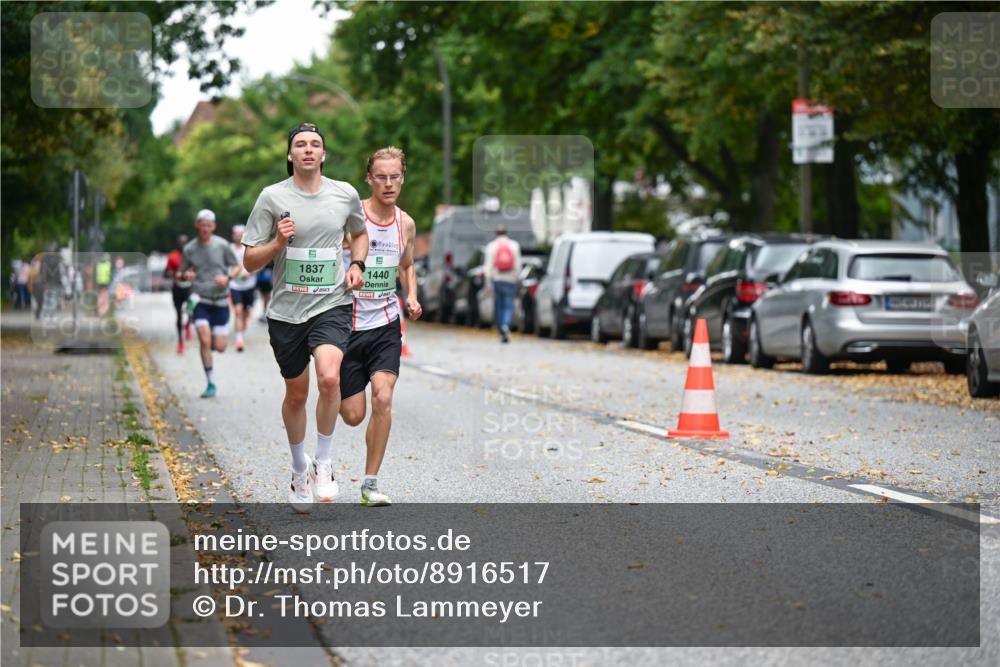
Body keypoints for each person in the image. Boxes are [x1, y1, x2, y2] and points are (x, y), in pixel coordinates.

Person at [242, 122, 368, 513]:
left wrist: (358, 263)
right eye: (301, 145)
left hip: (331, 303)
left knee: (330, 377)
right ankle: (300, 470)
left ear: (324, 154)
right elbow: (248, 261)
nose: (309, 150)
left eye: (315, 145)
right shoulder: (271, 197)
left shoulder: (344, 193)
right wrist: (278, 242)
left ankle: (325, 461)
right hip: (286, 312)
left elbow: (359, 233)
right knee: (296, 394)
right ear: (290, 155)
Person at [339, 147, 421, 507]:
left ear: (402, 179)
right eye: (381, 177)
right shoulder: (351, 216)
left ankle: (370, 483)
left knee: (384, 397)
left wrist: (412, 296)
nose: (389, 184)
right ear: (369, 179)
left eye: (395, 177)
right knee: (353, 415)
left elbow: (406, 265)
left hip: (386, 322)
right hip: (346, 323)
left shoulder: (406, 223)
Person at [179, 209, 238, 398]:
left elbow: (237, 266)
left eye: (208, 225)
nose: (205, 228)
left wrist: (227, 278)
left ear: (213, 227)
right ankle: (210, 382)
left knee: (220, 346)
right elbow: (179, 274)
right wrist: (185, 275)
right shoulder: (189, 249)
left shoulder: (222, 245)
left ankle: (211, 345)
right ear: (197, 225)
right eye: (202, 225)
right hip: (199, 300)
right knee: (204, 340)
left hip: (220, 300)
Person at [483, 225, 521, 343]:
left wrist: (488, 281)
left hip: (497, 279)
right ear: (506, 232)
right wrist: (517, 278)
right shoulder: (514, 245)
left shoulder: (491, 246)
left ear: (496, 233)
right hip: (510, 279)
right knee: (508, 305)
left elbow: (488, 266)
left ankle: (501, 328)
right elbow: (518, 264)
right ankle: (506, 325)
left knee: (499, 305)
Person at [228, 225, 257, 351]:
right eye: (236, 233)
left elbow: (259, 264)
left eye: (241, 233)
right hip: (234, 285)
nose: (238, 236)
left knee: (245, 312)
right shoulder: (228, 249)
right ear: (233, 235)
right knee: (238, 311)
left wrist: (250, 272)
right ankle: (239, 340)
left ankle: (245, 318)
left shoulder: (250, 248)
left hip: (249, 285)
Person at [165, 234, 192, 353]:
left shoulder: (193, 255)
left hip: (190, 287)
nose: (183, 245)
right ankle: (180, 342)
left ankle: (188, 324)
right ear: (178, 244)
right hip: (178, 288)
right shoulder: (172, 256)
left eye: (185, 242)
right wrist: (173, 274)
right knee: (179, 315)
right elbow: (166, 273)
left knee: (193, 310)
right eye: (181, 243)